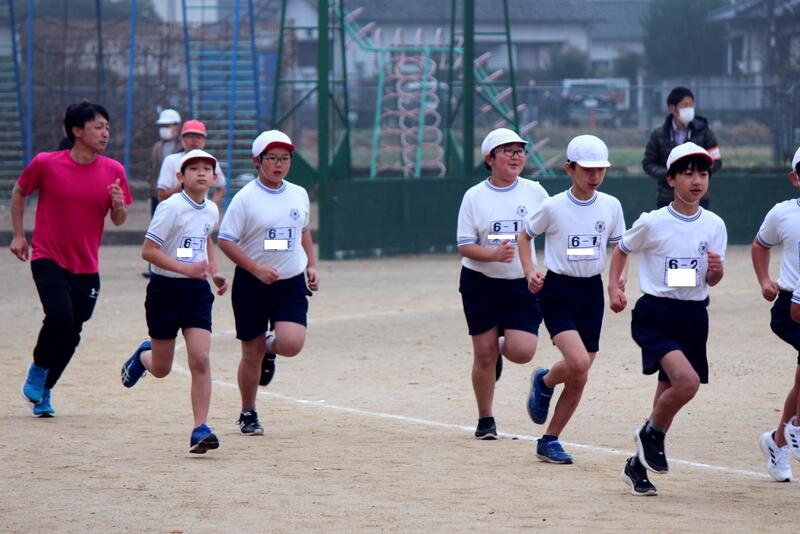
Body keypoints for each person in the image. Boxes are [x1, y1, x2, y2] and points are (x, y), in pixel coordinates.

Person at [608, 142, 727, 496]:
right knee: (686, 384)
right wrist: (614, 286)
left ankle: (636, 465)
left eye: (703, 173)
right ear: (670, 179)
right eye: (687, 174)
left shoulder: (714, 225)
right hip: (656, 313)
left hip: (693, 316)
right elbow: (622, 248)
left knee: (667, 395)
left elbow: (711, 279)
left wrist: (716, 270)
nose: (697, 180)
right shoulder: (653, 222)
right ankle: (649, 435)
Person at [11, 101, 132, 417]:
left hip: (86, 266)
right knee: (60, 317)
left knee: (73, 331)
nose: (105, 133)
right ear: (77, 130)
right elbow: (20, 191)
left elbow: (118, 220)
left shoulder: (114, 171)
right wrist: (19, 235)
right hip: (48, 256)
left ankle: (45, 390)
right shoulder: (46, 163)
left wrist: (119, 205)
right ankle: (38, 369)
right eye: (98, 127)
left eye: (107, 127)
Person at [517, 135, 625, 463]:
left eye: (600, 170)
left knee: (580, 373)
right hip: (558, 290)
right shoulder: (553, 206)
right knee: (578, 363)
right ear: (569, 168)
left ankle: (549, 439)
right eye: (587, 169)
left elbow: (620, 247)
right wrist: (530, 270)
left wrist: (615, 286)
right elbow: (525, 235)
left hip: (591, 291)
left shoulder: (611, 205)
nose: (595, 176)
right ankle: (546, 381)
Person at [120, 149, 228, 454]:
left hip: (196, 292)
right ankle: (143, 355)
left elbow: (205, 239)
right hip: (164, 291)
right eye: (194, 168)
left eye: (207, 168)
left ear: (214, 177)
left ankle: (200, 429)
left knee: (200, 358)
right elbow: (148, 251)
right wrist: (185, 268)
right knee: (162, 368)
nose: (201, 173)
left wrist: (215, 272)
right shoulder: (170, 208)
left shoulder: (211, 210)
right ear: (180, 176)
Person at [217, 130, 319, 435]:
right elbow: (225, 240)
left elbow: (303, 231)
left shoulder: (298, 193)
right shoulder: (245, 198)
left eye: (284, 159)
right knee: (251, 353)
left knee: (292, 344)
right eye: (272, 158)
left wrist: (311, 265)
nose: (279, 164)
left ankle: (270, 348)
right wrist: (255, 268)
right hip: (252, 284)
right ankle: (248, 412)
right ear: (257, 161)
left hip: (290, 282)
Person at [456, 128, 550, 440]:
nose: (515, 156)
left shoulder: (535, 192)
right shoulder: (474, 196)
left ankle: (498, 348)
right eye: (507, 151)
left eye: (519, 151)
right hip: (480, 283)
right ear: (490, 159)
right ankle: (486, 419)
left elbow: (555, 226)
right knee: (483, 355)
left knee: (523, 352)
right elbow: (465, 246)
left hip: (521, 284)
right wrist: (493, 254)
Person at [751, 145, 800, 481]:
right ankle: (794, 429)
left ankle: (778, 440)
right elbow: (760, 244)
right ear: (795, 178)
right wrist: (765, 279)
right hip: (789, 308)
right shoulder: (783, 214)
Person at [642, 86, 721, 209]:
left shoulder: (704, 131)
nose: (689, 109)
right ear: (672, 108)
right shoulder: (658, 134)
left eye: (691, 105)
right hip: (667, 197)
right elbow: (648, 163)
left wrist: (697, 173)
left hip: (699, 199)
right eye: (685, 105)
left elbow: (716, 160)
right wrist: (671, 173)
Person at [157, 120, 227, 205]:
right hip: (176, 210)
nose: (194, 140)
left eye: (198, 137)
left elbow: (222, 186)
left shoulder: (210, 161)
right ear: (182, 139)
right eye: (190, 136)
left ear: (204, 141)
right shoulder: (171, 161)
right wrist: (182, 187)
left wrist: (212, 205)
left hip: (200, 211)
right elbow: (161, 196)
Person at [149, 108, 183, 216]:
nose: (164, 129)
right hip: (157, 195)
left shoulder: (183, 147)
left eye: (167, 126)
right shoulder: (156, 147)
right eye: (162, 126)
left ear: (177, 127)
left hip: (178, 196)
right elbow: (152, 170)